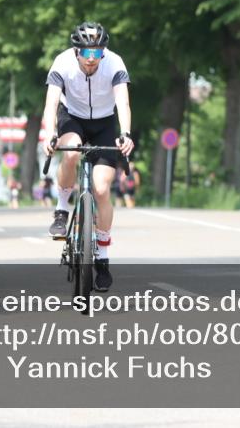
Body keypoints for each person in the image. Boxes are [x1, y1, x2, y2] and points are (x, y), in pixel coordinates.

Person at [42, 21, 135, 292]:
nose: (92, 60)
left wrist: (126, 134)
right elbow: (50, 104)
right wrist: (50, 134)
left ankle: (103, 258)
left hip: (105, 123)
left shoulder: (115, 63)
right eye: (87, 54)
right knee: (70, 153)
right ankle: (61, 208)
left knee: (102, 188)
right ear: (76, 51)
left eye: (98, 54)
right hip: (72, 118)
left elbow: (123, 103)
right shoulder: (61, 63)